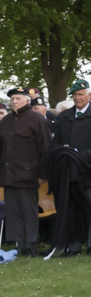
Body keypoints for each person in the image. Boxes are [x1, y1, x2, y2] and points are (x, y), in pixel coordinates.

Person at [48, 78, 91, 257]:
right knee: (71, 207)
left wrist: (81, 156)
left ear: (90, 95)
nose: (77, 98)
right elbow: (56, 143)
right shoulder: (63, 117)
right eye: (74, 95)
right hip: (68, 170)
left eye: (81, 94)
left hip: (89, 170)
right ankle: (74, 244)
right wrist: (64, 154)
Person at [0, 87, 50, 256]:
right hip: (8, 174)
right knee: (13, 212)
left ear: (27, 100)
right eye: (12, 98)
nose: (14, 101)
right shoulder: (5, 121)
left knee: (29, 211)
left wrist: (43, 175)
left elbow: (45, 149)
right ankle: (19, 245)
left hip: (29, 174)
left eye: (18, 98)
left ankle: (31, 245)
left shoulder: (37, 119)